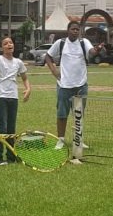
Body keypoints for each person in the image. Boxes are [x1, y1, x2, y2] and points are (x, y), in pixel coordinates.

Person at [44, 21, 105, 150]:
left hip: (81, 85)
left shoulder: (84, 42)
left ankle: (79, 140)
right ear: (68, 30)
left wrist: (98, 49)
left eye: (77, 29)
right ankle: (60, 140)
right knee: (62, 114)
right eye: (73, 29)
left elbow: (92, 52)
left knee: (79, 114)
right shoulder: (60, 43)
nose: (75, 31)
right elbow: (48, 56)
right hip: (64, 85)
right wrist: (54, 71)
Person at [0, 37, 31, 165]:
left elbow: (24, 78)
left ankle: (11, 156)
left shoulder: (18, 62)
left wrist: (28, 89)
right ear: (1, 48)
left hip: (13, 97)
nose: (9, 44)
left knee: (11, 128)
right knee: (2, 128)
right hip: (1, 97)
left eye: (11, 42)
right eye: (5, 43)